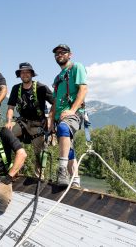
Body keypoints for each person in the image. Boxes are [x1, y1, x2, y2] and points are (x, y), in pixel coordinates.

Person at [6, 62, 54, 178]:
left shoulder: (41, 87)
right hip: (22, 122)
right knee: (5, 134)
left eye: (27, 72)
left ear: (32, 74)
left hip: (38, 124)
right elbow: (11, 108)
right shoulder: (16, 88)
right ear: (20, 75)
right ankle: (10, 168)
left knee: (39, 153)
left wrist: (50, 118)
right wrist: (8, 122)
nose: (25, 74)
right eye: (22, 72)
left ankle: (39, 176)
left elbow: (55, 102)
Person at [48, 44, 88, 187]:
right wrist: (50, 119)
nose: (59, 55)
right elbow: (54, 102)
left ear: (70, 54)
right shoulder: (58, 78)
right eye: (57, 53)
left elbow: (83, 89)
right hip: (59, 116)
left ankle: (62, 170)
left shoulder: (76, 68)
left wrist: (72, 110)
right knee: (68, 149)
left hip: (73, 113)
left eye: (62, 52)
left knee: (64, 129)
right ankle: (75, 181)